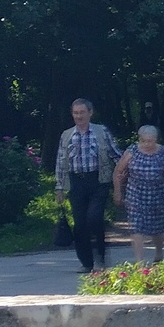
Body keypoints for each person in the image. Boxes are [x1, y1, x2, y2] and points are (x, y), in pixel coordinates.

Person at [53, 99, 125, 273]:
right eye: (76, 113)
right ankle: (86, 262)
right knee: (80, 224)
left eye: (82, 112)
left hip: (98, 181)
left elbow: (115, 154)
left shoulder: (101, 132)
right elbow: (61, 162)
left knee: (94, 218)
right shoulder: (67, 135)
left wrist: (124, 171)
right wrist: (59, 187)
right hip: (76, 182)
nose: (79, 116)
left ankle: (100, 258)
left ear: (90, 113)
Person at [113, 125, 164, 263]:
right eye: (144, 141)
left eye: (150, 141)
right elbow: (118, 172)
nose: (147, 144)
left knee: (157, 228)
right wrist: (117, 192)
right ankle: (139, 262)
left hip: (157, 195)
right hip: (135, 194)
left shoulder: (163, 152)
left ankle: (159, 252)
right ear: (140, 139)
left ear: (156, 140)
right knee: (136, 226)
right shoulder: (132, 151)